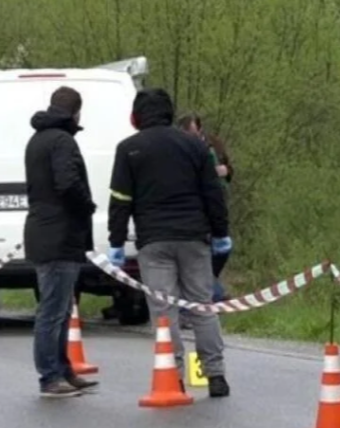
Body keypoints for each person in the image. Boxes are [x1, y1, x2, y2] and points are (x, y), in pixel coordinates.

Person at [107, 88, 232, 398]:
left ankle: (172, 376)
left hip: (154, 242)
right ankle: (215, 375)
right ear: (170, 114)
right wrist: (220, 232)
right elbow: (212, 193)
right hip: (194, 238)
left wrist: (117, 242)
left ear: (135, 118)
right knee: (202, 306)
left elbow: (120, 200)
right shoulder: (194, 146)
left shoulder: (128, 149)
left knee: (164, 311)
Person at [23, 86, 100, 398]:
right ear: (76, 112)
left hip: (44, 232)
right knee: (53, 311)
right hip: (59, 234)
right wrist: (87, 206)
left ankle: (63, 369)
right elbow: (67, 183)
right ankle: (50, 376)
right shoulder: (63, 141)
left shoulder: (38, 139)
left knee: (61, 309)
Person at [175, 112, 232, 302]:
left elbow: (228, 166)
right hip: (197, 209)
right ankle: (214, 293)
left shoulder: (214, 145)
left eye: (193, 133)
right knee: (198, 256)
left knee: (220, 253)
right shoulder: (180, 149)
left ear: (200, 130)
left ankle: (209, 288)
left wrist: (226, 170)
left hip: (217, 204)